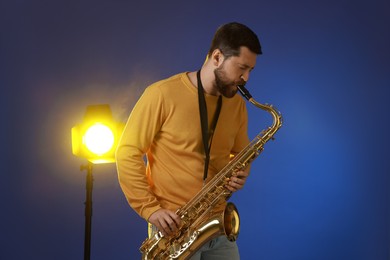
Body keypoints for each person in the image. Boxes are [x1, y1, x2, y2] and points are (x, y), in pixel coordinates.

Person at [116, 22, 262, 259]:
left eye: (250, 71)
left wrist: (241, 172)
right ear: (217, 57)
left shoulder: (236, 104)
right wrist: (150, 209)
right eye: (242, 68)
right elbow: (127, 152)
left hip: (217, 224)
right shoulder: (161, 94)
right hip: (173, 228)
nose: (245, 78)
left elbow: (241, 153)